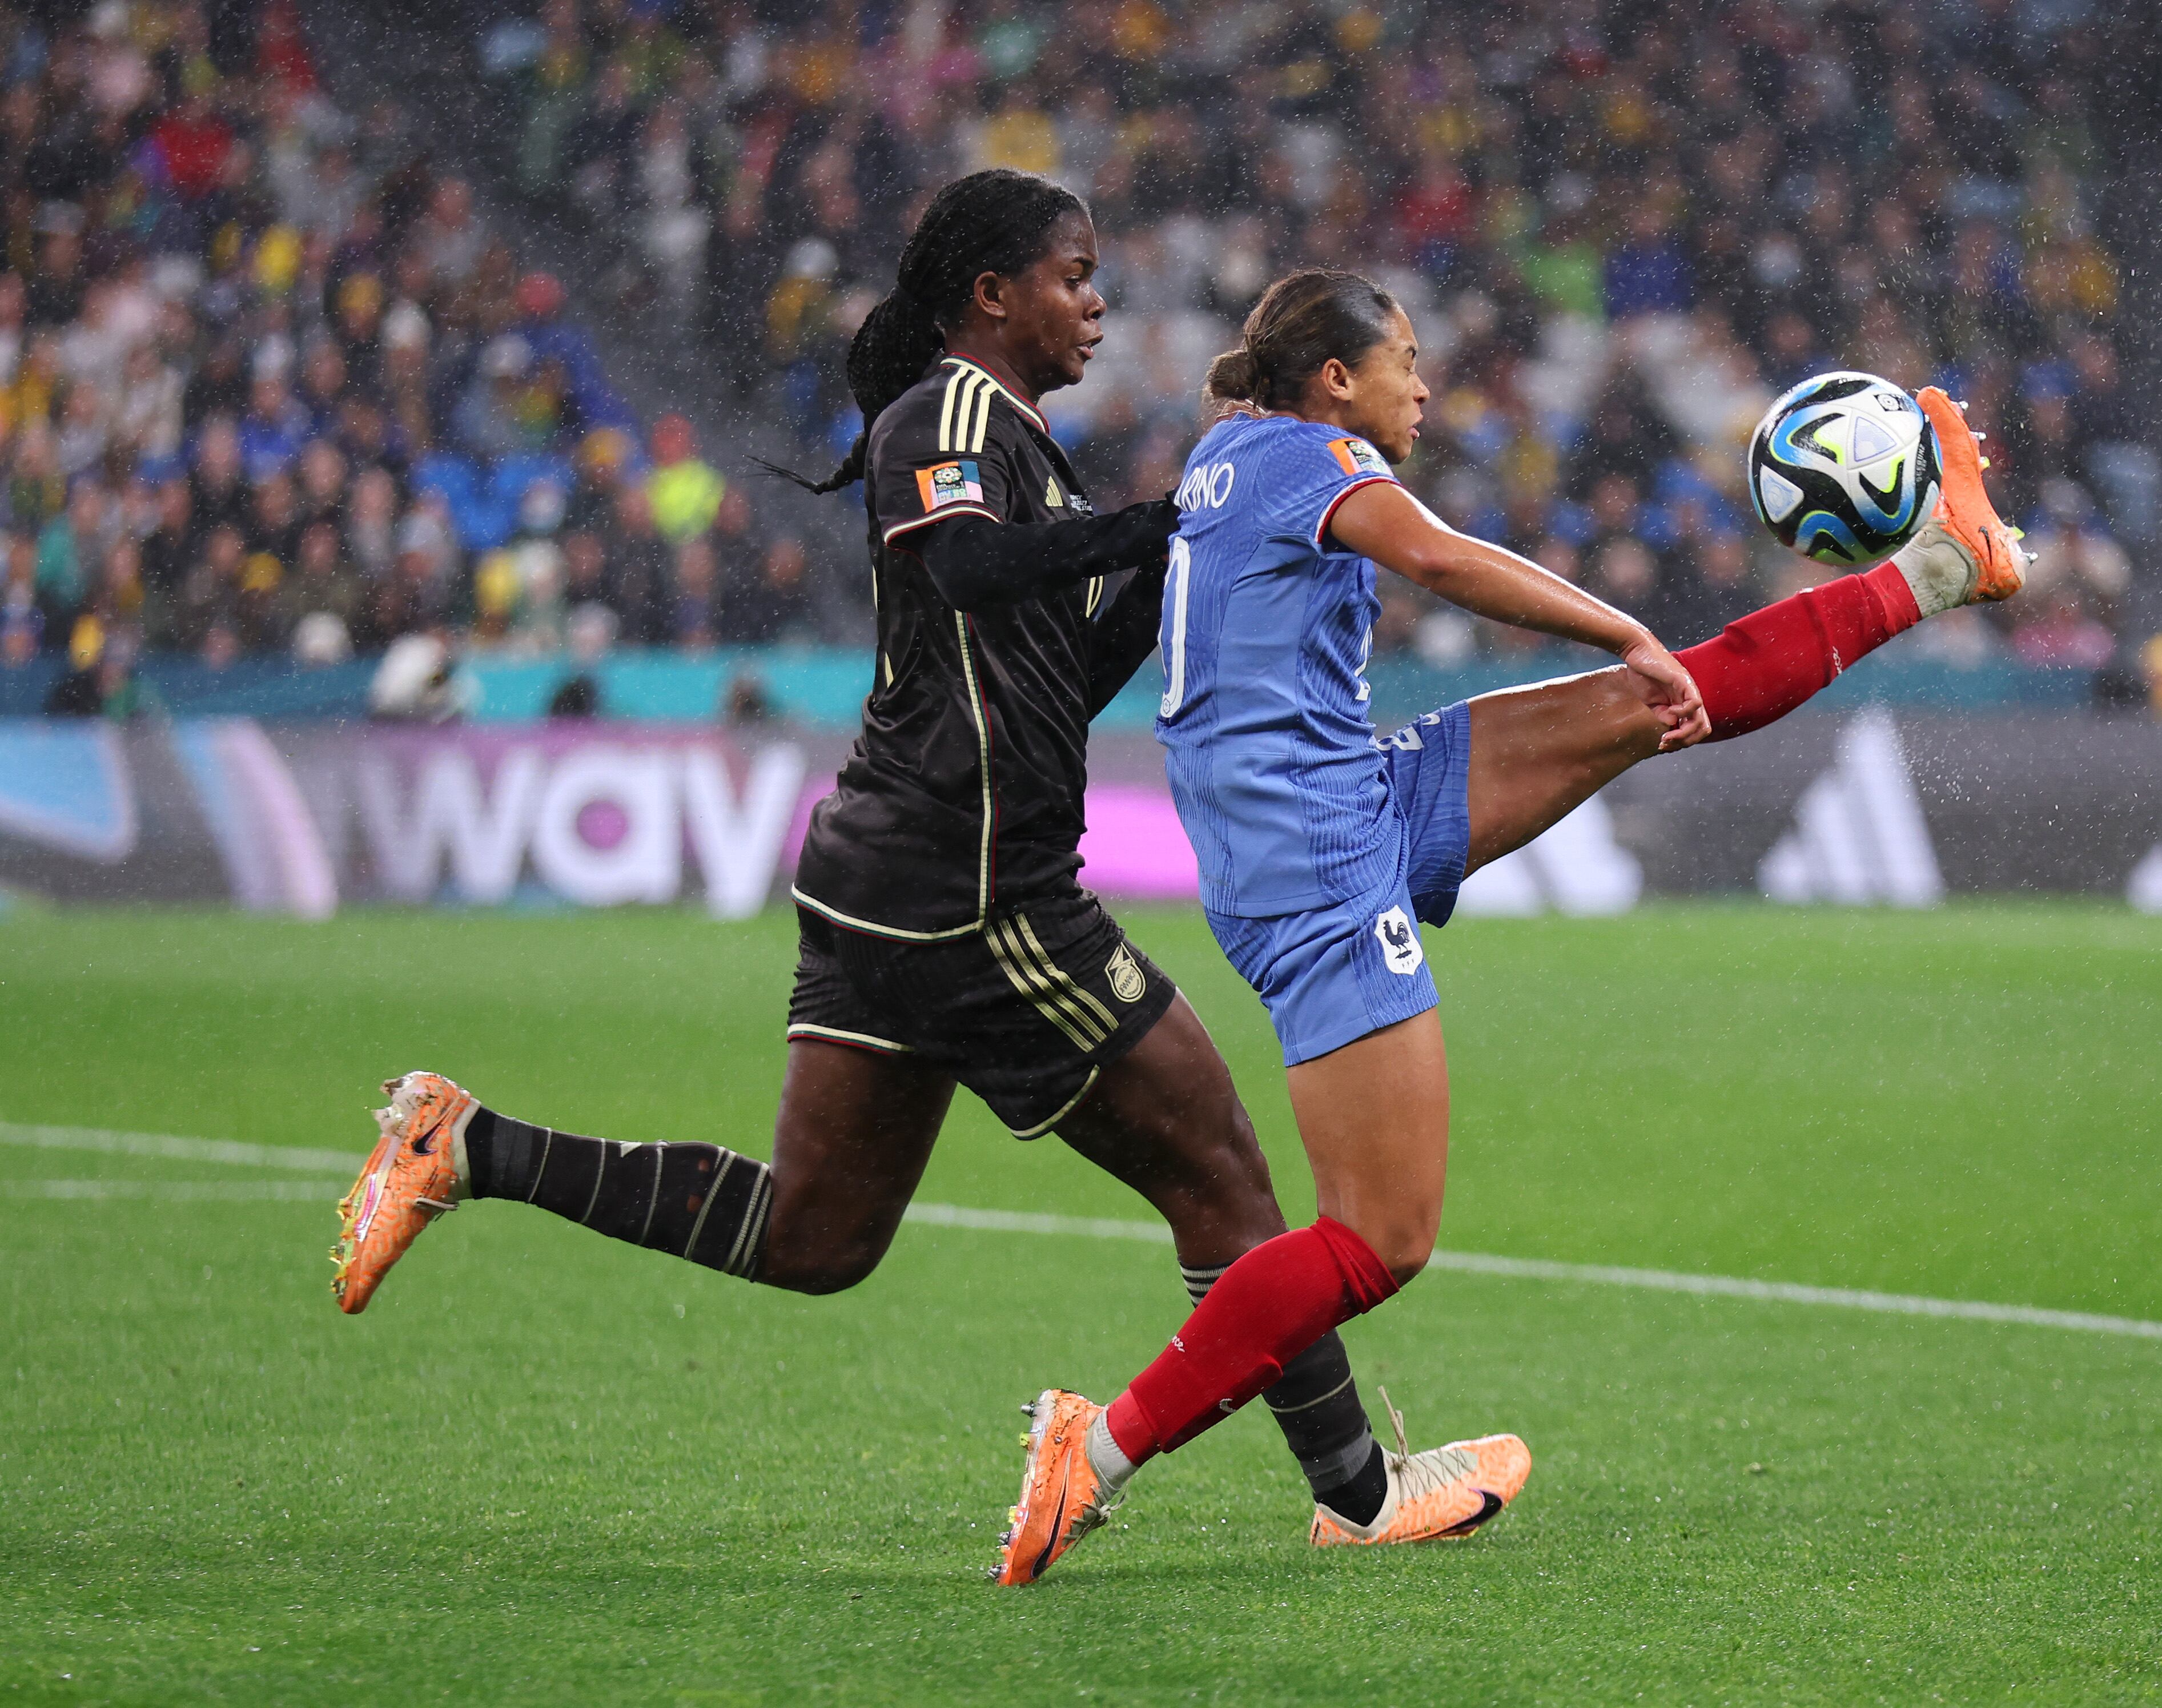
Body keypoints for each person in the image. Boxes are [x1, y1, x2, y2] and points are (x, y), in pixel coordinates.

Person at [329, 175, 1505, 1552]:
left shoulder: (1020, 443)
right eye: (1073, 274)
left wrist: (1194, 551)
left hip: (885, 878)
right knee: (1222, 1174)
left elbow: (1058, 668)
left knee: (818, 1235)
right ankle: (1360, 1493)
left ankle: (465, 1144)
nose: (1098, 301)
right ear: (993, 294)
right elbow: (964, 570)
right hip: (977, 890)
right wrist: (1157, 522)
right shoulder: (948, 414)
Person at [992, 270, 2028, 1585]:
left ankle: (1941, 566)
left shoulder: (1233, 453)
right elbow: (1437, 558)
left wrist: (1632, 655)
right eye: (1404, 360)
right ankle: (1103, 1443)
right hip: (1310, 855)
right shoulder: (1309, 457)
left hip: (1336, 794)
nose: (1424, 383)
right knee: (1380, 1233)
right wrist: (1618, 617)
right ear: (1334, 382)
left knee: (1647, 703)